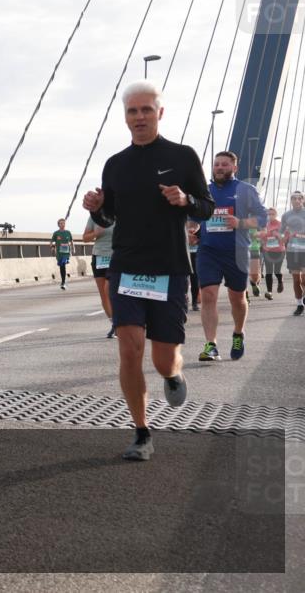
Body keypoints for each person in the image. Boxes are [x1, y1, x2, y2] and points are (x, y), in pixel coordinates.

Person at [83, 80, 214, 461]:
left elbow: (205, 207)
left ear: (160, 112)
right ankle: (141, 432)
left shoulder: (184, 156)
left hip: (169, 269)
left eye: (146, 110)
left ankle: (173, 374)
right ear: (125, 117)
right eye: (132, 111)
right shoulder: (116, 164)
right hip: (127, 267)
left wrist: (185, 198)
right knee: (128, 349)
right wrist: (96, 207)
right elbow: (109, 215)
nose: (139, 117)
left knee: (162, 359)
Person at [193, 151, 266, 362]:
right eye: (216, 164)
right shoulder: (204, 192)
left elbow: (262, 218)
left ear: (235, 168)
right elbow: (194, 219)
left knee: (237, 298)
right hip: (208, 251)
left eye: (224, 164)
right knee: (208, 295)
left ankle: (238, 333)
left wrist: (240, 223)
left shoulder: (246, 190)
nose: (219, 167)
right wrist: (192, 230)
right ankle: (211, 345)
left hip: (237, 251)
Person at [83, 218, 116, 337]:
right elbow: (85, 238)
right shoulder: (94, 216)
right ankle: (114, 324)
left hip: (117, 257)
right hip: (99, 257)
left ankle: (122, 321)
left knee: (111, 291)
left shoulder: (122, 211)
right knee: (104, 294)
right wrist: (95, 233)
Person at [282, 191, 305, 316]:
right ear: (291, 200)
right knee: (296, 280)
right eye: (294, 198)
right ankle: (299, 304)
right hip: (292, 251)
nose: (296, 200)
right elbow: (280, 232)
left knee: (304, 280)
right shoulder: (286, 215)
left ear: (302, 200)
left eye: (299, 198)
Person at [258, 207, 286, 300]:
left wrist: (278, 235)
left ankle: (280, 281)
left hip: (279, 251)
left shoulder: (281, 225)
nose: (270, 216)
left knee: (277, 271)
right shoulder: (265, 225)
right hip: (268, 251)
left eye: (272, 214)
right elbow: (262, 237)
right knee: (268, 272)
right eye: (269, 214)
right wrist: (262, 241)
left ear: (276, 215)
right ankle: (269, 292)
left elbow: (285, 238)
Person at [51, 219, 74, 290]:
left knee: (63, 264)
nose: (62, 224)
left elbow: (71, 241)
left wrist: (73, 248)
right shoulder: (56, 233)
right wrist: (52, 247)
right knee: (61, 267)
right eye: (61, 223)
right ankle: (63, 281)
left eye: (63, 223)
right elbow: (52, 242)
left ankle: (63, 282)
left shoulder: (68, 232)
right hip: (59, 253)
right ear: (58, 225)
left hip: (66, 253)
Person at [186, 220, 201, 311]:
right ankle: (184, 299)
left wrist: (197, 239)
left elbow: (204, 233)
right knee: (183, 278)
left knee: (195, 278)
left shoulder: (199, 214)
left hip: (196, 252)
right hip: (182, 252)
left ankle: (194, 302)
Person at [248, 227, 262, 300]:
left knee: (255, 275)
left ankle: (254, 283)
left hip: (254, 248)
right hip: (240, 248)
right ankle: (245, 295)